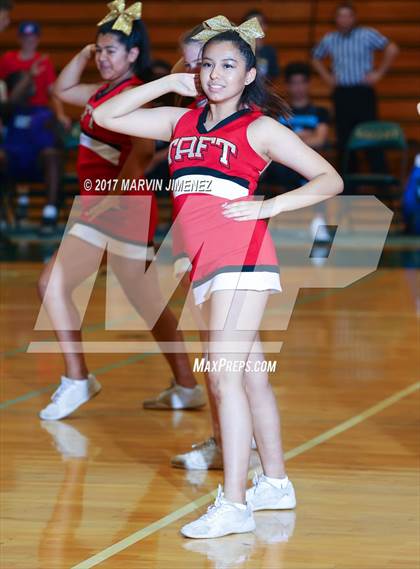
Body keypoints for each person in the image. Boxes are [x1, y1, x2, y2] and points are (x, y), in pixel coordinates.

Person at [94, 14, 343, 539]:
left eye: (229, 65)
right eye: (208, 65)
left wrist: (268, 208)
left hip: (243, 257)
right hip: (206, 263)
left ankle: (234, 504)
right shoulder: (179, 122)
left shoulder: (259, 127)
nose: (215, 75)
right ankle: (274, 483)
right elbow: (108, 114)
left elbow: (330, 178)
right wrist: (166, 84)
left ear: (249, 75)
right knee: (248, 374)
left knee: (223, 376)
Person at [38, 2, 204, 421]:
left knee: (51, 283)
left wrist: (115, 197)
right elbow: (60, 91)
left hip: (118, 203)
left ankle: (78, 379)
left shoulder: (135, 94)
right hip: (105, 203)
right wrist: (84, 52)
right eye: (100, 51)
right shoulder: (99, 91)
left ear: (133, 55)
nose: (103, 57)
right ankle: (186, 385)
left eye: (111, 50)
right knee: (146, 300)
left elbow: (144, 152)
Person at [0, 21, 72, 230]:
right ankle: (17, 202)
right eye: (25, 36)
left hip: (37, 116)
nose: (28, 40)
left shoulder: (43, 63)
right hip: (13, 116)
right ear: (19, 38)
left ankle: (47, 211)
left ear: (37, 38)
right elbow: (7, 95)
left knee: (50, 152)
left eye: (32, 36)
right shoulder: (8, 60)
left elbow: (53, 92)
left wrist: (60, 114)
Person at [312, 2, 399, 171]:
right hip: (342, 94)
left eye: (348, 15)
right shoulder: (330, 38)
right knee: (344, 138)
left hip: (363, 93)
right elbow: (315, 57)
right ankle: (348, 184)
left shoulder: (367, 34)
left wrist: (379, 73)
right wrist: (327, 77)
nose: (344, 19)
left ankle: (381, 182)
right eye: (340, 16)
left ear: (354, 18)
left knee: (371, 135)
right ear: (336, 19)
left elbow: (392, 48)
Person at [263, 61, 331, 241]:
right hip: (279, 166)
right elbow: (270, 142)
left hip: (305, 165)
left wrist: (288, 138)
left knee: (320, 175)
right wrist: (305, 136)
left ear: (308, 84)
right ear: (288, 85)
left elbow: (320, 140)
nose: (298, 87)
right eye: (294, 82)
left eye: (302, 82)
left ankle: (319, 222)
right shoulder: (277, 112)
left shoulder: (320, 112)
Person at [243, 10, 280, 81]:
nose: (256, 27)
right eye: (252, 24)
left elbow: (274, 76)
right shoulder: (239, 50)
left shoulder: (270, 51)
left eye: (259, 23)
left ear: (265, 26)